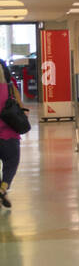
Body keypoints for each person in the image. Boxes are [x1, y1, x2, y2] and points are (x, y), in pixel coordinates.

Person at [0, 59, 24, 210]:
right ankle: (3, 188)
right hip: (10, 135)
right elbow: (21, 106)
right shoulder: (10, 88)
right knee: (11, 164)